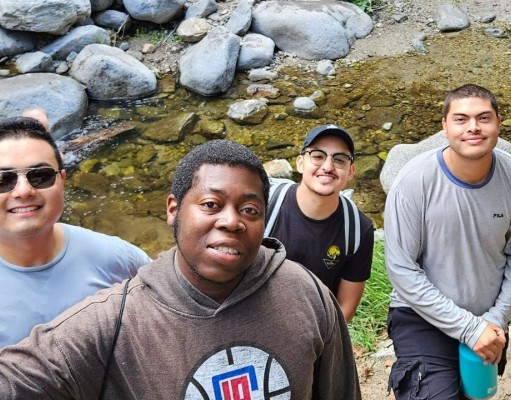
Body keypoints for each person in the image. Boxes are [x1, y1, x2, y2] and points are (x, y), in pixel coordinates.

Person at [0, 139, 361, 399]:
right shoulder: (116, 322)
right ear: (173, 208)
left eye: (250, 210)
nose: (231, 221)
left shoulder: (306, 293)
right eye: (210, 204)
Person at [384, 84, 511, 399]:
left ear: (498, 123)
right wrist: (469, 329)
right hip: (421, 315)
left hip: (488, 315)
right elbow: (401, 268)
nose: (473, 127)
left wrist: (494, 319)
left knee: (476, 395)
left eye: (483, 118)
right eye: (461, 119)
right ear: (444, 126)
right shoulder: (414, 181)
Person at [0, 116, 151, 348]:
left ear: (62, 180)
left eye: (40, 176)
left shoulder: (115, 258)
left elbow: (169, 307)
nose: (23, 190)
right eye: (3, 180)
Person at [265, 124, 375, 322]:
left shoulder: (358, 229)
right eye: (317, 156)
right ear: (300, 163)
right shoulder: (265, 205)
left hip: (313, 328)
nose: (328, 166)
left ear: (351, 172)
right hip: (251, 316)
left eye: (339, 159)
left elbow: (346, 307)